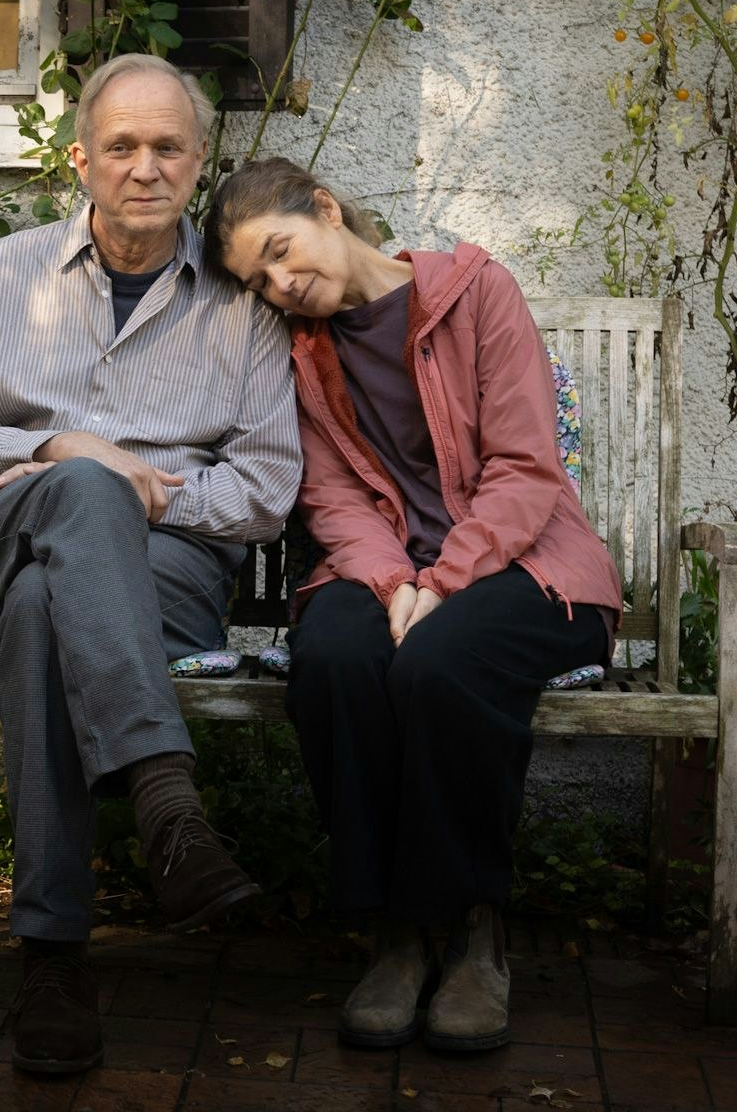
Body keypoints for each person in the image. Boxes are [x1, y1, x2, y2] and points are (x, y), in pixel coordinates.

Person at [0, 55, 302, 1074]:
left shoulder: (244, 307)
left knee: (54, 604)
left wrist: (149, 494)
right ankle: (168, 806)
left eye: (167, 146)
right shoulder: (1, 275)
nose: (144, 167)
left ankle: (51, 959)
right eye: (121, 146)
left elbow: (263, 487)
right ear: (81, 159)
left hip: (168, 568)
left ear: (200, 159)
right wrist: (62, 454)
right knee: (77, 494)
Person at [203, 158, 622, 1052]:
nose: (282, 284)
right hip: (386, 569)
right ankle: (392, 932)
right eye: (258, 280)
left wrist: (444, 581)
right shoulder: (300, 353)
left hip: (526, 565)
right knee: (338, 659)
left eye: (280, 251)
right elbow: (331, 499)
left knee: (439, 665)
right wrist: (396, 583)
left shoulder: (476, 292)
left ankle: (473, 927)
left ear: (324, 209)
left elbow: (524, 468)